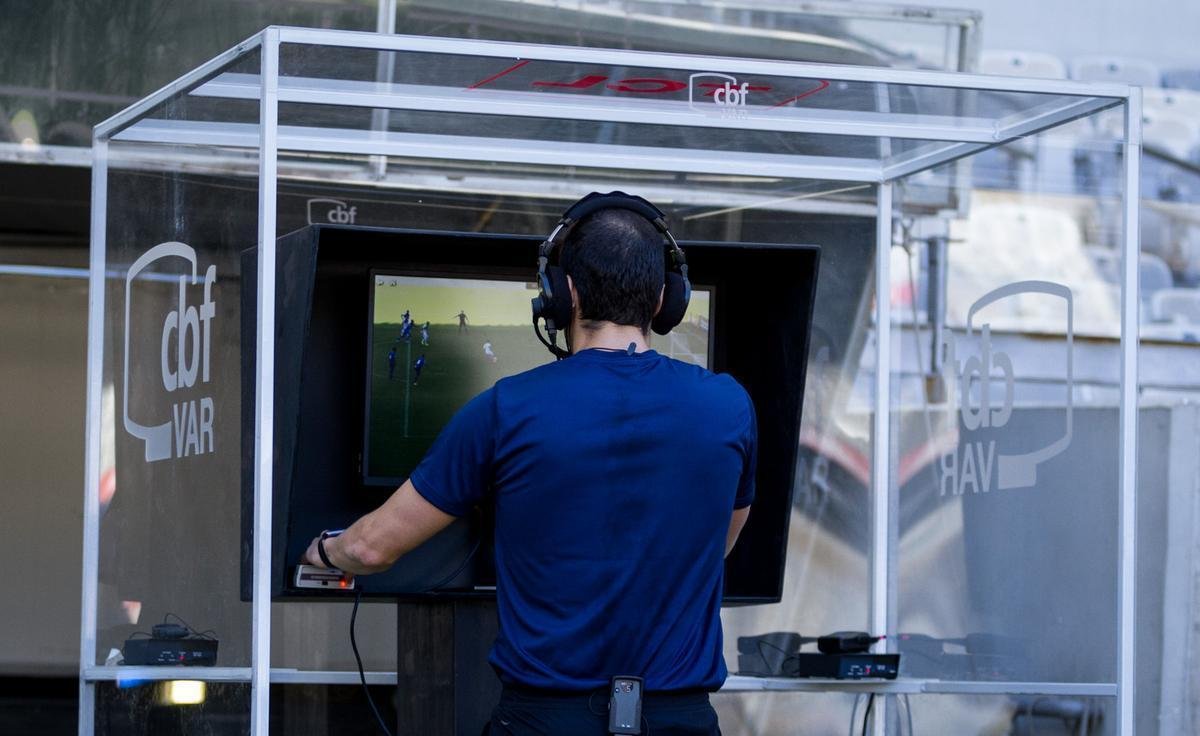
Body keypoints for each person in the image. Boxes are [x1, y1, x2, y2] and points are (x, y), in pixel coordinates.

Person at [303, 202, 755, 736]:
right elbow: (719, 543)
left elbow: (371, 549)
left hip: (545, 719)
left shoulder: (506, 408)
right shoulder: (730, 406)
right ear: (663, 299)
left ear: (565, 295)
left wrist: (321, 552)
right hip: (682, 721)